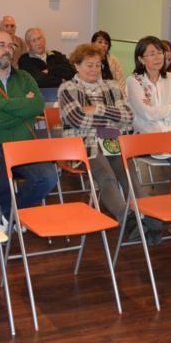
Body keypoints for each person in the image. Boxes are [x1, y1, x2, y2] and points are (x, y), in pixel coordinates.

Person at [0, 29, 57, 222]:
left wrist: (0, 105)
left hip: (23, 144)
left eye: (11, 46)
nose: (8, 50)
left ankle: (9, 214)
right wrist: (22, 111)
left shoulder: (25, 77)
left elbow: (37, 105)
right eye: (1, 45)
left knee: (48, 177)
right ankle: (12, 214)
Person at [58, 44, 140, 223]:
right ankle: (128, 220)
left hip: (112, 141)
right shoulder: (68, 88)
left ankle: (148, 218)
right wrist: (112, 117)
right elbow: (78, 120)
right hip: (84, 145)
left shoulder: (112, 86)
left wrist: (97, 109)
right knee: (106, 176)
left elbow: (128, 117)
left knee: (130, 175)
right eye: (89, 65)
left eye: (98, 65)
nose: (95, 69)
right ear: (77, 65)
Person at [125, 36, 171, 195]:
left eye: (160, 52)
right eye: (152, 54)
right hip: (147, 137)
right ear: (141, 59)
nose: (158, 57)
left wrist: (160, 114)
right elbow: (147, 114)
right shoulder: (134, 81)